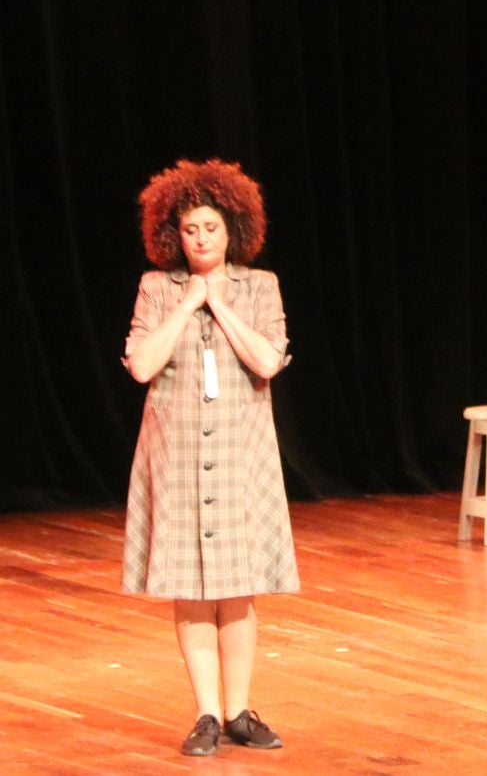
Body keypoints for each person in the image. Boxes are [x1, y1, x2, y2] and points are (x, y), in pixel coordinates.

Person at [121, 158, 298, 756]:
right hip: (176, 451)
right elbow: (143, 365)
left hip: (240, 450)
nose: (201, 239)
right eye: (191, 229)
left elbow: (268, 362)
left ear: (233, 231)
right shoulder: (155, 287)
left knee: (237, 587)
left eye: (211, 229)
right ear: (174, 233)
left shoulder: (260, 286)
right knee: (191, 587)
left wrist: (219, 303)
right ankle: (206, 714)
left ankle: (241, 710)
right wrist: (188, 302)